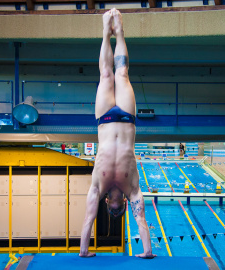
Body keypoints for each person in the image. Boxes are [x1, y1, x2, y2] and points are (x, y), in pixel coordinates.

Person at [79, 8, 155, 259]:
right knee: (121, 73)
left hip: (104, 119)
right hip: (126, 118)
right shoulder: (131, 188)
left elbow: (89, 218)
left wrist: (84, 251)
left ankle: (105, 33)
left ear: (107, 203)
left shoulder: (97, 185)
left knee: (105, 74)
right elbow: (141, 218)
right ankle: (119, 31)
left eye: (114, 206)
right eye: (119, 205)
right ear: (123, 203)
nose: (117, 202)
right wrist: (146, 251)